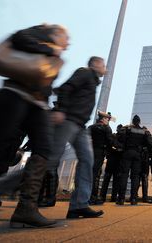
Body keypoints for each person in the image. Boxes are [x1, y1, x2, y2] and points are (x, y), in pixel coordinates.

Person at [0, 24, 69, 228]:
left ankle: (26, 208)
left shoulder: (56, 54)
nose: (67, 43)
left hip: (38, 103)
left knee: (45, 151)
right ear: (57, 33)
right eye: (66, 38)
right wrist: (50, 49)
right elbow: (19, 37)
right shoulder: (43, 32)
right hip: (15, 95)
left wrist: (55, 109)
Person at [45, 56, 106, 218]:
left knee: (87, 161)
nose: (105, 68)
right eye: (103, 64)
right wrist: (61, 110)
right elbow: (65, 88)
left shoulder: (92, 81)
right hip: (69, 121)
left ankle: (78, 205)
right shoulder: (85, 73)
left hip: (80, 126)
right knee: (49, 161)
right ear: (95, 65)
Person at [116, 115, 152, 205]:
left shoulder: (127, 128)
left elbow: (120, 137)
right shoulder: (144, 131)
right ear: (139, 122)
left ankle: (121, 199)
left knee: (124, 175)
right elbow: (149, 143)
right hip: (137, 154)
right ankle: (134, 199)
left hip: (127, 152)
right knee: (135, 177)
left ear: (133, 121)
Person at [88, 111, 114, 205]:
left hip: (90, 152)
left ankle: (87, 196)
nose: (108, 121)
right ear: (103, 119)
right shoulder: (106, 128)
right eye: (107, 119)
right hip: (99, 153)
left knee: (89, 174)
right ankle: (93, 197)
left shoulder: (91, 127)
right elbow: (110, 141)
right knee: (95, 175)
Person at [99, 124, 123, 203]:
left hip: (113, 160)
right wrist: (118, 149)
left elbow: (112, 146)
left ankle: (103, 196)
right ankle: (109, 197)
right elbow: (112, 146)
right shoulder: (120, 138)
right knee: (113, 180)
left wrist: (115, 148)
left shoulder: (116, 137)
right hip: (115, 160)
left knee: (108, 179)